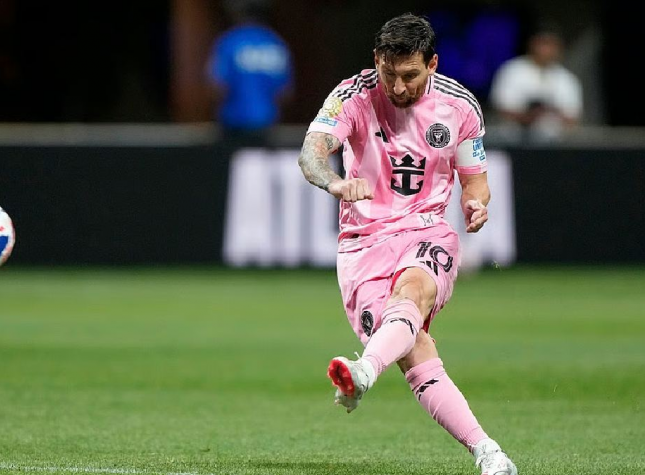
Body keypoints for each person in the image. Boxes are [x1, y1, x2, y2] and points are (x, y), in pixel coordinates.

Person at [297, 13, 517, 475]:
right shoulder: (352, 95)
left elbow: (475, 180)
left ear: (432, 64)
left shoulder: (460, 107)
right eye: (389, 73)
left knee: (413, 292)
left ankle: (363, 371)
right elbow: (311, 154)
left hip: (425, 230)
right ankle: (489, 452)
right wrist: (335, 183)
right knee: (414, 347)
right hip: (362, 245)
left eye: (410, 75)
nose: (398, 87)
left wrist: (476, 203)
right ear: (377, 60)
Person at [206, 0, 294, 147]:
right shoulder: (276, 43)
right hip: (267, 124)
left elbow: (217, 86)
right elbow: (285, 92)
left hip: (233, 125)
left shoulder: (230, 41)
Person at [488, 24, 583, 143]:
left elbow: (572, 118)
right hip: (512, 141)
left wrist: (548, 113)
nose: (548, 50)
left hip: (554, 144)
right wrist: (531, 115)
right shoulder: (512, 70)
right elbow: (501, 108)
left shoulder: (566, 79)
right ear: (533, 44)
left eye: (552, 45)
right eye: (544, 44)